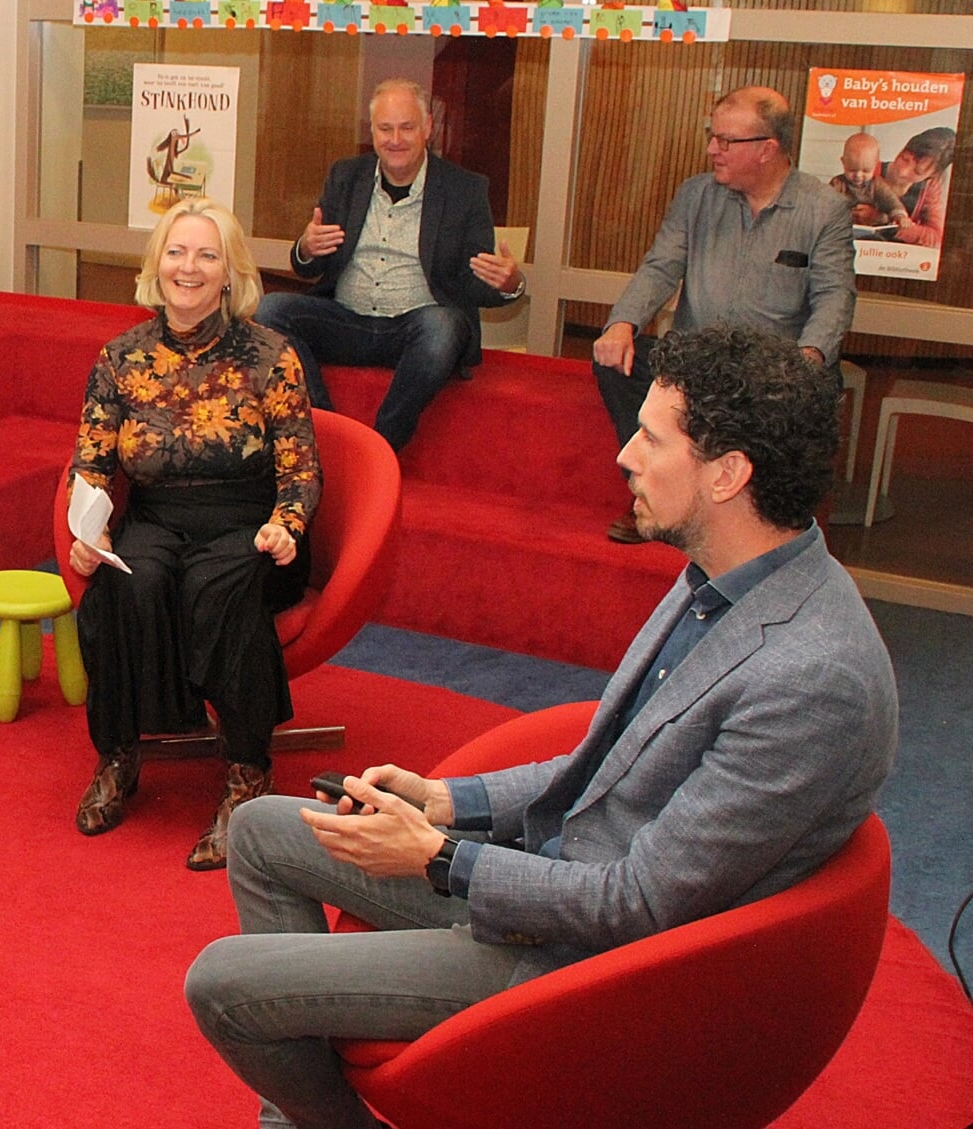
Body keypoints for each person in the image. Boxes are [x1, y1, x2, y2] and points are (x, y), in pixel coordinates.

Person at [185, 324, 897, 1129]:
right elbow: (612, 765)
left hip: (587, 963)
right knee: (259, 831)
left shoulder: (811, 676)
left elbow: (638, 905)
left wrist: (438, 856)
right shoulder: (724, 575)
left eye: (651, 439)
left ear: (728, 474)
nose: (624, 454)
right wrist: (443, 800)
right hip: (550, 881)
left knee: (221, 980)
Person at [67, 196, 322, 871]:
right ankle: (119, 754)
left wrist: (286, 524)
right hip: (157, 516)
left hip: (251, 525)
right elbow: (91, 465)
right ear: (156, 265)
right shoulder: (119, 357)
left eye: (206, 254)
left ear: (228, 271)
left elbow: (300, 469)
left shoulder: (272, 355)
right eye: (176, 252)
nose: (189, 267)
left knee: (219, 582)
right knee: (131, 581)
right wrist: (84, 531)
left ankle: (246, 772)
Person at [592, 85, 855, 544]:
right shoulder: (696, 197)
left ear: (767, 150)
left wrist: (808, 358)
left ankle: (767, 521)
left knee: (815, 387)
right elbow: (661, 266)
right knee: (616, 363)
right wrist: (622, 322)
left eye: (726, 141)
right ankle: (652, 495)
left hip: (775, 365)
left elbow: (835, 297)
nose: (713, 149)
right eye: (712, 137)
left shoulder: (823, 209)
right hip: (699, 358)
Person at [254, 78, 524, 450]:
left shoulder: (465, 190)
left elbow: (473, 281)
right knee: (270, 309)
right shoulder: (346, 177)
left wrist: (509, 284)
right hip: (346, 321)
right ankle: (327, 432)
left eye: (407, 127)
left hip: (416, 329)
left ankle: (379, 446)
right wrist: (306, 247)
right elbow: (307, 267)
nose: (395, 139)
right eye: (385, 129)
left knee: (445, 326)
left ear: (428, 127)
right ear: (373, 131)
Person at [881, 126, 954, 249]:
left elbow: (936, 237)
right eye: (904, 159)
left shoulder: (929, 188)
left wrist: (888, 222)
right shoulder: (867, 171)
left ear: (932, 175)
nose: (903, 172)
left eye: (918, 172)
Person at [827, 130, 909, 229]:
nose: (858, 175)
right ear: (843, 162)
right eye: (852, 170)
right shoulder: (838, 183)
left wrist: (900, 216)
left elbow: (891, 202)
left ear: (876, 165)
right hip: (842, 229)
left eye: (866, 171)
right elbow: (825, 204)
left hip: (870, 230)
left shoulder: (877, 184)